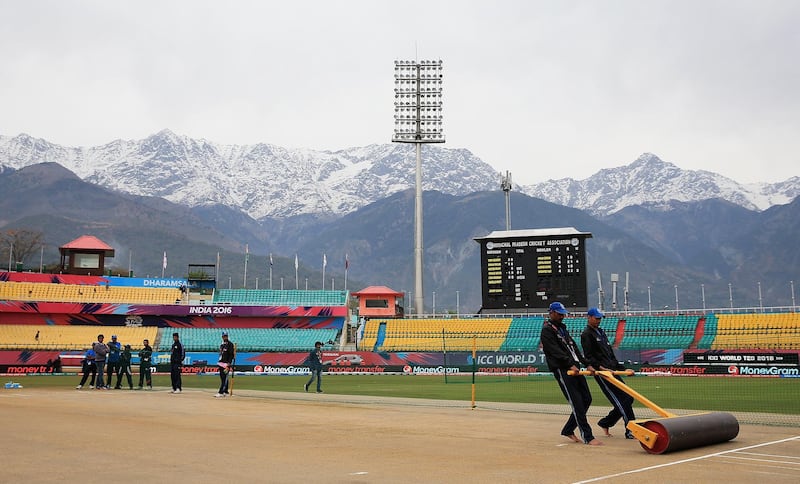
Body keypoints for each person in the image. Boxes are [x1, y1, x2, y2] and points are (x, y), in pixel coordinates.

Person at [540, 301, 602, 446]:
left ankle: (568, 429)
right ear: (552, 313)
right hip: (564, 369)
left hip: (575, 368)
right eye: (559, 314)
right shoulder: (547, 330)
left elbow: (574, 350)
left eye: (563, 314)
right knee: (577, 403)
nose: (562, 316)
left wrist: (587, 364)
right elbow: (554, 351)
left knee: (587, 399)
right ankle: (588, 436)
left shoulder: (563, 329)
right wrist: (570, 364)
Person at [580, 307, 636, 439]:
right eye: (596, 318)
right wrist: (602, 369)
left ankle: (606, 422)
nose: (599, 321)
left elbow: (610, 354)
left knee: (628, 398)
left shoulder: (601, 332)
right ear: (589, 317)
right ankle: (631, 430)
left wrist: (623, 369)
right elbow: (588, 357)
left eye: (600, 318)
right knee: (621, 401)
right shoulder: (586, 334)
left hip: (613, 371)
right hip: (603, 374)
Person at [214, 332, 235, 398]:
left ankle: (220, 392)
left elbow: (231, 354)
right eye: (224, 336)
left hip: (226, 364)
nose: (225, 337)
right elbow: (221, 354)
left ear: (227, 336)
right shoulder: (222, 345)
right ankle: (225, 391)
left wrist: (229, 363)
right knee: (223, 378)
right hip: (221, 363)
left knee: (224, 378)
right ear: (222, 337)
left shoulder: (230, 344)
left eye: (226, 336)